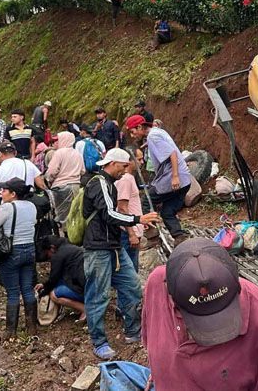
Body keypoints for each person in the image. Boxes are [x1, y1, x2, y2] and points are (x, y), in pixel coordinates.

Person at [142, 238, 258, 391]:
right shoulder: (156, 286)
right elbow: (153, 341)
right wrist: (162, 372)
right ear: (169, 292)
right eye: (203, 319)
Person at [82, 148, 159, 359]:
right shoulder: (99, 183)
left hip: (113, 246)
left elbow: (112, 214)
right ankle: (99, 342)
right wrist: (138, 220)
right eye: (124, 166)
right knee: (99, 295)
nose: (125, 171)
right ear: (113, 163)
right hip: (98, 248)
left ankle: (133, 331)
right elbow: (109, 214)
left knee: (132, 285)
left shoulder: (110, 184)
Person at [0, 178, 39, 340]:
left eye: (4, 191)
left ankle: (11, 331)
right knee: (28, 289)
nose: (2, 193)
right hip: (30, 250)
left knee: (13, 292)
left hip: (12, 252)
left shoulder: (7, 208)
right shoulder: (31, 206)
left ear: (13, 193)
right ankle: (32, 327)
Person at [126, 115, 191, 241]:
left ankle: (152, 235)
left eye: (133, 132)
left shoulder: (153, 136)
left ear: (139, 127)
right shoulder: (157, 132)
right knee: (167, 212)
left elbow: (172, 153)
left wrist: (175, 176)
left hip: (173, 178)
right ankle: (180, 237)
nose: (133, 136)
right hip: (185, 180)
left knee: (146, 200)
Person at [35, 236, 87, 323]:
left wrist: (44, 292)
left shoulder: (58, 256)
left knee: (54, 295)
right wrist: (44, 284)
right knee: (59, 284)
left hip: (84, 289)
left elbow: (53, 279)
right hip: (92, 285)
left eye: (47, 254)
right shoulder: (70, 248)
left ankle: (85, 309)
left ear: (51, 249)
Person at [44, 131, 85, 228]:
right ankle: (73, 233)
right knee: (74, 212)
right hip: (75, 185)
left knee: (62, 214)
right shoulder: (77, 153)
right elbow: (83, 171)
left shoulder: (59, 153)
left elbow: (52, 171)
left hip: (61, 186)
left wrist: (49, 180)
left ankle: (65, 233)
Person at [115, 148, 145, 271]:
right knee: (130, 272)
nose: (142, 162)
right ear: (129, 161)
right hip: (127, 233)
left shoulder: (130, 178)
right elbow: (122, 208)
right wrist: (132, 234)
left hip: (131, 230)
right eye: (139, 159)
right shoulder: (125, 180)